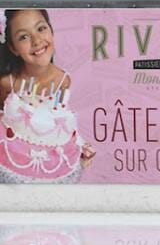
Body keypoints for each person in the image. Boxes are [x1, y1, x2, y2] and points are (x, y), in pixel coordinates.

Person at [0, 9, 96, 171]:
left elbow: (59, 118)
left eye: (41, 29)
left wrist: (80, 148)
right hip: (10, 164)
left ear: (51, 30)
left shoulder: (63, 80)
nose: (36, 41)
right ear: (13, 48)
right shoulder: (6, 83)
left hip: (49, 163)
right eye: (24, 37)